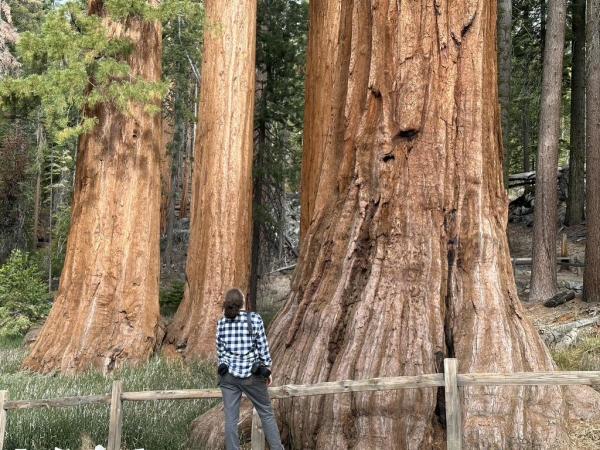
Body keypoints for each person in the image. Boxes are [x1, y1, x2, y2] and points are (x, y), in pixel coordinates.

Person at [216, 287, 284, 450]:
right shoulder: (254, 319)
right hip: (252, 376)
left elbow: (221, 352)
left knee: (230, 420)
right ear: (242, 303)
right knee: (266, 413)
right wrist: (267, 368)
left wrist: (226, 363)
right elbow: (263, 347)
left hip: (229, 377)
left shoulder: (221, 323)